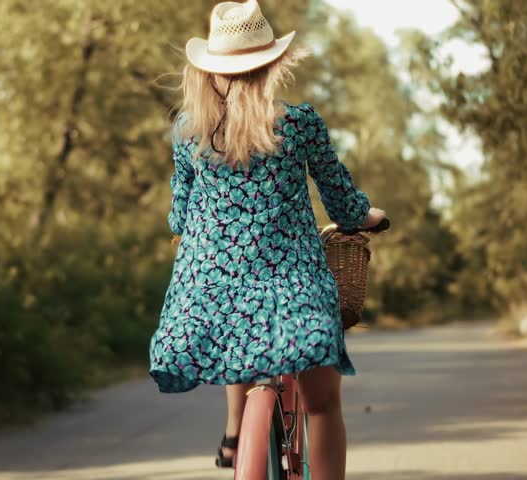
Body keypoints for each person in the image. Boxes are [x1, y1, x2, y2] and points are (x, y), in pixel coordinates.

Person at [148, 1, 386, 478]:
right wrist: (368, 217)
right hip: (293, 290)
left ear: (211, 69)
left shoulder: (188, 132)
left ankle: (237, 430)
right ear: (273, 64)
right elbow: (341, 202)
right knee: (322, 406)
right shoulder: (297, 124)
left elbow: (179, 217)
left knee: (239, 337)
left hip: (209, 296)